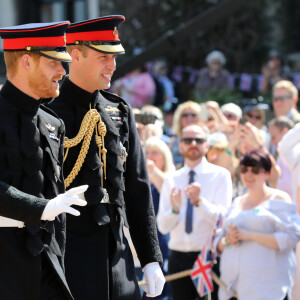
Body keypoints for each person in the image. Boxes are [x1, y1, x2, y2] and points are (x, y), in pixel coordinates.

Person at [48, 16, 164, 300]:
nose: (112, 65)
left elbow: (137, 190)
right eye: (103, 57)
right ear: (76, 55)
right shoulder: (47, 111)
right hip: (65, 256)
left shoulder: (119, 111)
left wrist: (150, 258)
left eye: (114, 57)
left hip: (117, 260)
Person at [0, 21, 88, 299]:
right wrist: (39, 208)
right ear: (26, 61)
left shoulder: (52, 123)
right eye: (54, 63)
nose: (63, 71)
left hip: (47, 265)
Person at [157, 124, 232, 300]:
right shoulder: (171, 179)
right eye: (188, 140)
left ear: (207, 145)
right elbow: (162, 227)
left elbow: (223, 220)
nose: (193, 144)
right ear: (181, 145)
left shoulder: (220, 175)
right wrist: (175, 210)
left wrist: (200, 202)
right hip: (178, 258)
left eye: (199, 140)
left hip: (208, 256)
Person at [216, 149, 300, 300]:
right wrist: (228, 240)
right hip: (233, 289)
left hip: (268, 290)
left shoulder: (280, 198)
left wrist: (250, 235)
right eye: (244, 170)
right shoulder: (236, 202)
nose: (249, 175)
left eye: (255, 170)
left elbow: (291, 238)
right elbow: (219, 244)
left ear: (266, 173)